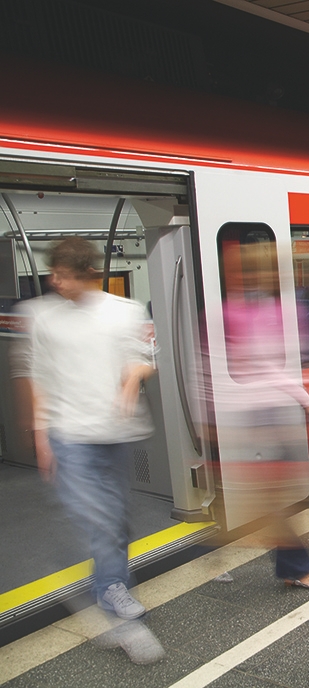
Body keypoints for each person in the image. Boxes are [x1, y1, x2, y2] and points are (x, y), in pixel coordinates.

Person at [13, 237, 156, 621]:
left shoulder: (125, 311)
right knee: (98, 515)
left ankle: (109, 581)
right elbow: (38, 375)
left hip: (115, 433)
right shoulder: (40, 316)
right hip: (69, 434)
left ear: (85, 275)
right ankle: (111, 588)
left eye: (63, 276)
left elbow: (142, 359)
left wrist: (131, 379)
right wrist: (42, 435)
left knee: (117, 516)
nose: (55, 282)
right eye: (52, 274)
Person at [219, 241, 309, 590]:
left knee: (278, 497)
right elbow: (258, 367)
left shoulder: (264, 311)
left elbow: (276, 365)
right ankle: (297, 568)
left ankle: (290, 565)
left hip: (267, 414)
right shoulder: (234, 313)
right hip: (257, 418)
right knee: (277, 499)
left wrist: (304, 399)